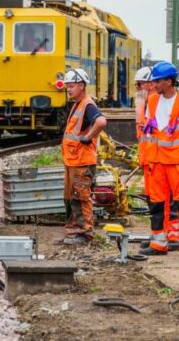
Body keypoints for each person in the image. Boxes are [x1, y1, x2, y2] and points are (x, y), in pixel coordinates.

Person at [139, 61, 179, 258]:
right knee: (157, 204)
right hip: (156, 162)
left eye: (158, 81)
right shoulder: (153, 101)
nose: (154, 84)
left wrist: (178, 147)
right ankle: (159, 243)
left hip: (178, 162)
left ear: (169, 81)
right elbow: (150, 127)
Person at [58, 68, 107, 245]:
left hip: (82, 162)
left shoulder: (88, 105)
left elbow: (101, 121)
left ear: (81, 85)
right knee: (70, 198)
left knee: (81, 198)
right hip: (73, 161)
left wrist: (88, 137)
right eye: (67, 87)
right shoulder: (77, 105)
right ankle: (72, 233)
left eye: (71, 86)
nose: (68, 89)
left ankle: (85, 234)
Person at [135, 67, 179, 252]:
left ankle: (173, 236)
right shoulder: (147, 104)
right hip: (150, 160)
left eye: (140, 85)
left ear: (151, 84)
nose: (138, 89)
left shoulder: (164, 105)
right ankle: (160, 235)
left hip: (163, 159)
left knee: (168, 200)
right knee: (155, 201)